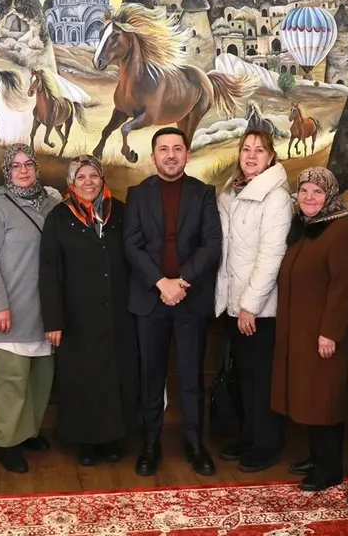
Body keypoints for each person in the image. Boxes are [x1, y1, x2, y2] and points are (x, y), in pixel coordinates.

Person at [125, 126, 223, 477]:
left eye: (177, 148)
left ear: (187, 154)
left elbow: (212, 244)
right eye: (163, 149)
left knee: (192, 375)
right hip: (150, 300)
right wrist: (160, 282)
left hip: (189, 299)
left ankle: (195, 444)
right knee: (150, 375)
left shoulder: (203, 193)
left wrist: (181, 282)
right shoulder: (138, 194)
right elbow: (131, 245)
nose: (170, 155)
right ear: (154, 156)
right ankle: (150, 444)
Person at [39, 155, 140, 465]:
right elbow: (49, 271)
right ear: (71, 182)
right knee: (83, 380)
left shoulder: (120, 212)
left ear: (102, 179)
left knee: (116, 378)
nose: (88, 182)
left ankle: (113, 440)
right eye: (81, 177)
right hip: (76, 318)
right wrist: (53, 320)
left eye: (93, 176)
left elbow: (135, 257)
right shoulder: (59, 217)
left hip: (118, 314)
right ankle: (86, 442)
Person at [0, 144, 62, 473]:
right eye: (16, 166)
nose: (23, 171)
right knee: (10, 382)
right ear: (7, 172)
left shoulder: (53, 205)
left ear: (36, 168)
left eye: (28, 164)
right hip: (8, 312)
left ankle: (27, 433)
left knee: (38, 380)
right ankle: (7, 442)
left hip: (44, 313)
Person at [272, 167, 348, 492]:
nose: (309, 197)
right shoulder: (305, 228)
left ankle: (329, 468)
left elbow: (343, 286)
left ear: (330, 195)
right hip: (300, 332)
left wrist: (330, 333)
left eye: (317, 192)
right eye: (304, 191)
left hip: (323, 335)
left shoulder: (341, 231)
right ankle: (316, 457)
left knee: (324, 400)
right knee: (308, 397)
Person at [214, 129, 291, 473]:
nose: (251, 155)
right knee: (244, 375)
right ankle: (249, 435)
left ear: (271, 156)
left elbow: (271, 256)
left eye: (259, 150)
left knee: (262, 378)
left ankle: (267, 443)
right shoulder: (232, 192)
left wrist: (250, 306)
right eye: (246, 149)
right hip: (234, 304)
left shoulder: (276, 197)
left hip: (259, 309)